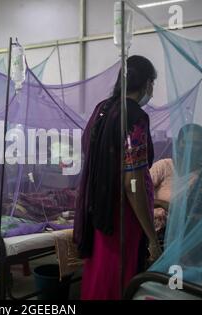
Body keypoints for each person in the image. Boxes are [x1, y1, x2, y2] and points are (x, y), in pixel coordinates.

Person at [74, 55, 162, 300]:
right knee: (117, 274)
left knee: (99, 270)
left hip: (97, 206)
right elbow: (132, 182)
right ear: (146, 84)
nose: (151, 91)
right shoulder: (135, 118)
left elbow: (88, 149)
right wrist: (152, 237)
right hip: (122, 214)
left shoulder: (102, 109)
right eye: (152, 85)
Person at [150, 124, 202, 247]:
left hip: (186, 237)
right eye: (186, 142)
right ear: (178, 144)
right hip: (151, 234)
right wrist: (164, 205)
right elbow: (140, 196)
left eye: (196, 143)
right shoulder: (163, 166)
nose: (190, 147)